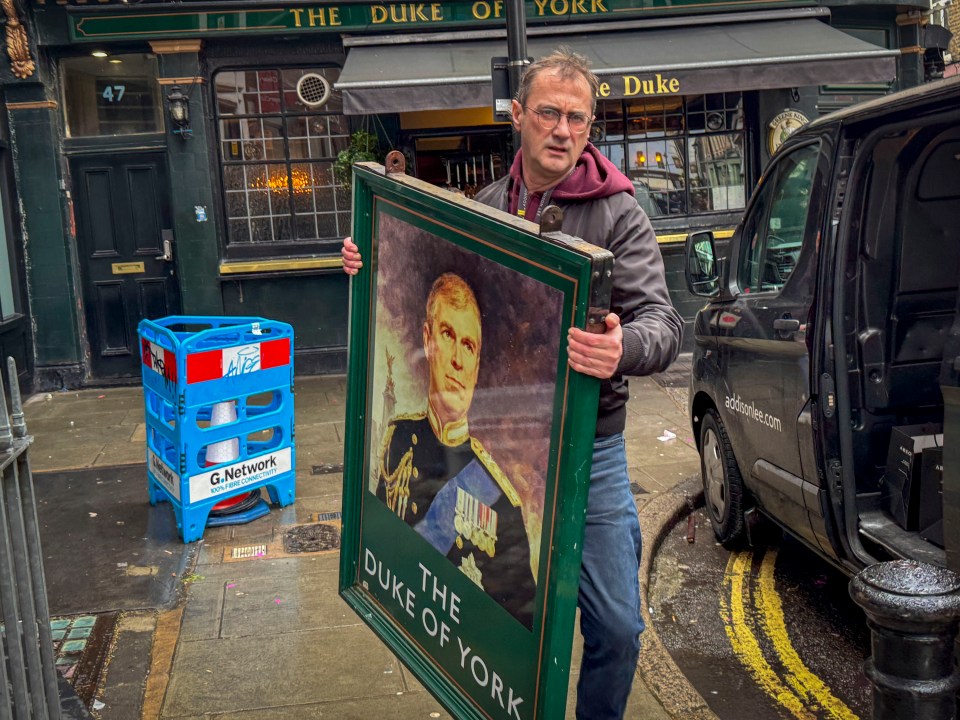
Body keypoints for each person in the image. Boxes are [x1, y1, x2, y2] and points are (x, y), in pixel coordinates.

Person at [343, 48, 683, 720]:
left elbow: (665, 326)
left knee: (618, 627)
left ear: (590, 129)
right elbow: (425, 290)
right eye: (550, 114)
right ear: (519, 117)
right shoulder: (489, 206)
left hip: (591, 455)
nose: (563, 130)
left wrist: (621, 348)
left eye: (577, 120)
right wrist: (370, 252)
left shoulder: (620, 213)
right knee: (490, 615)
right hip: (499, 445)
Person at [376, 272, 536, 629]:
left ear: (477, 366)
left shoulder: (500, 502)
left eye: (470, 346)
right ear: (427, 340)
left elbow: (516, 624)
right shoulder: (399, 438)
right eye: (448, 336)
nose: (459, 362)